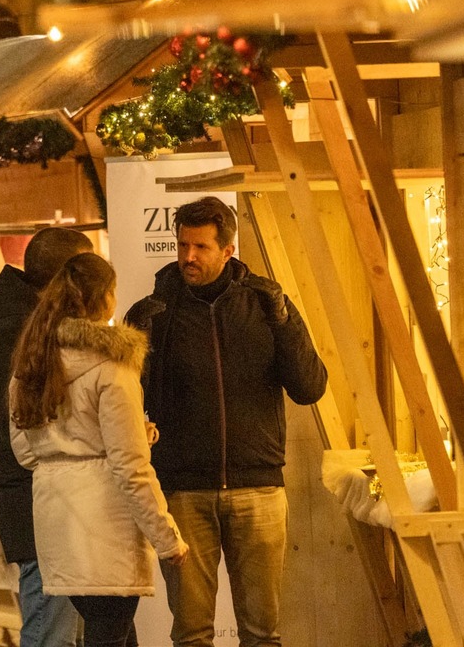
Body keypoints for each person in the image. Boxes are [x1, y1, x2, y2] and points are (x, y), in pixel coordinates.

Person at [124, 197, 328, 647]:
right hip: (182, 491)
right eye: (181, 245)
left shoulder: (266, 303)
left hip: (258, 488)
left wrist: (285, 323)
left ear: (228, 249)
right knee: (192, 634)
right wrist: (134, 337)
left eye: (199, 247)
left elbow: (310, 388)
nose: (187, 257)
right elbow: (122, 400)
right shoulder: (155, 311)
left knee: (262, 633)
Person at [10, 253, 189, 647]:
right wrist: (166, 537)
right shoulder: (113, 366)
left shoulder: (32, 361)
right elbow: (130, 467)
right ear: (106, 299)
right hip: (106, 527)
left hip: (56, 518)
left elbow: (25, 451)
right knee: (109, 636)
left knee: (116, 637)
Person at [0, 227, 93, 647]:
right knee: (49, 633)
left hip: (48, 502)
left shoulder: (27, 329)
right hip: (38, 503)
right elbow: (25, 434)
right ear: (66, 277)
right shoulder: (18, 335)